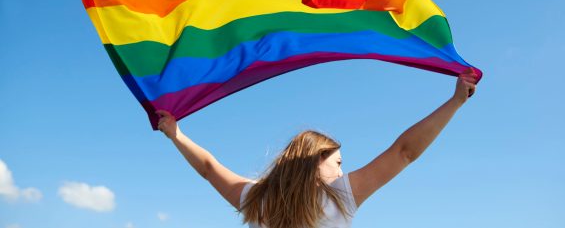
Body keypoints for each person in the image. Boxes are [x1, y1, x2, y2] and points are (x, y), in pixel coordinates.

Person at [156, 68, 478, 228]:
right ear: (314, 162)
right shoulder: (339, 196)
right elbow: (404, 152)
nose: (341, 170)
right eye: (337, 162)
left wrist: (176, 135)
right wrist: (454, 104)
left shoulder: (256, 200)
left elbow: (209, 169)